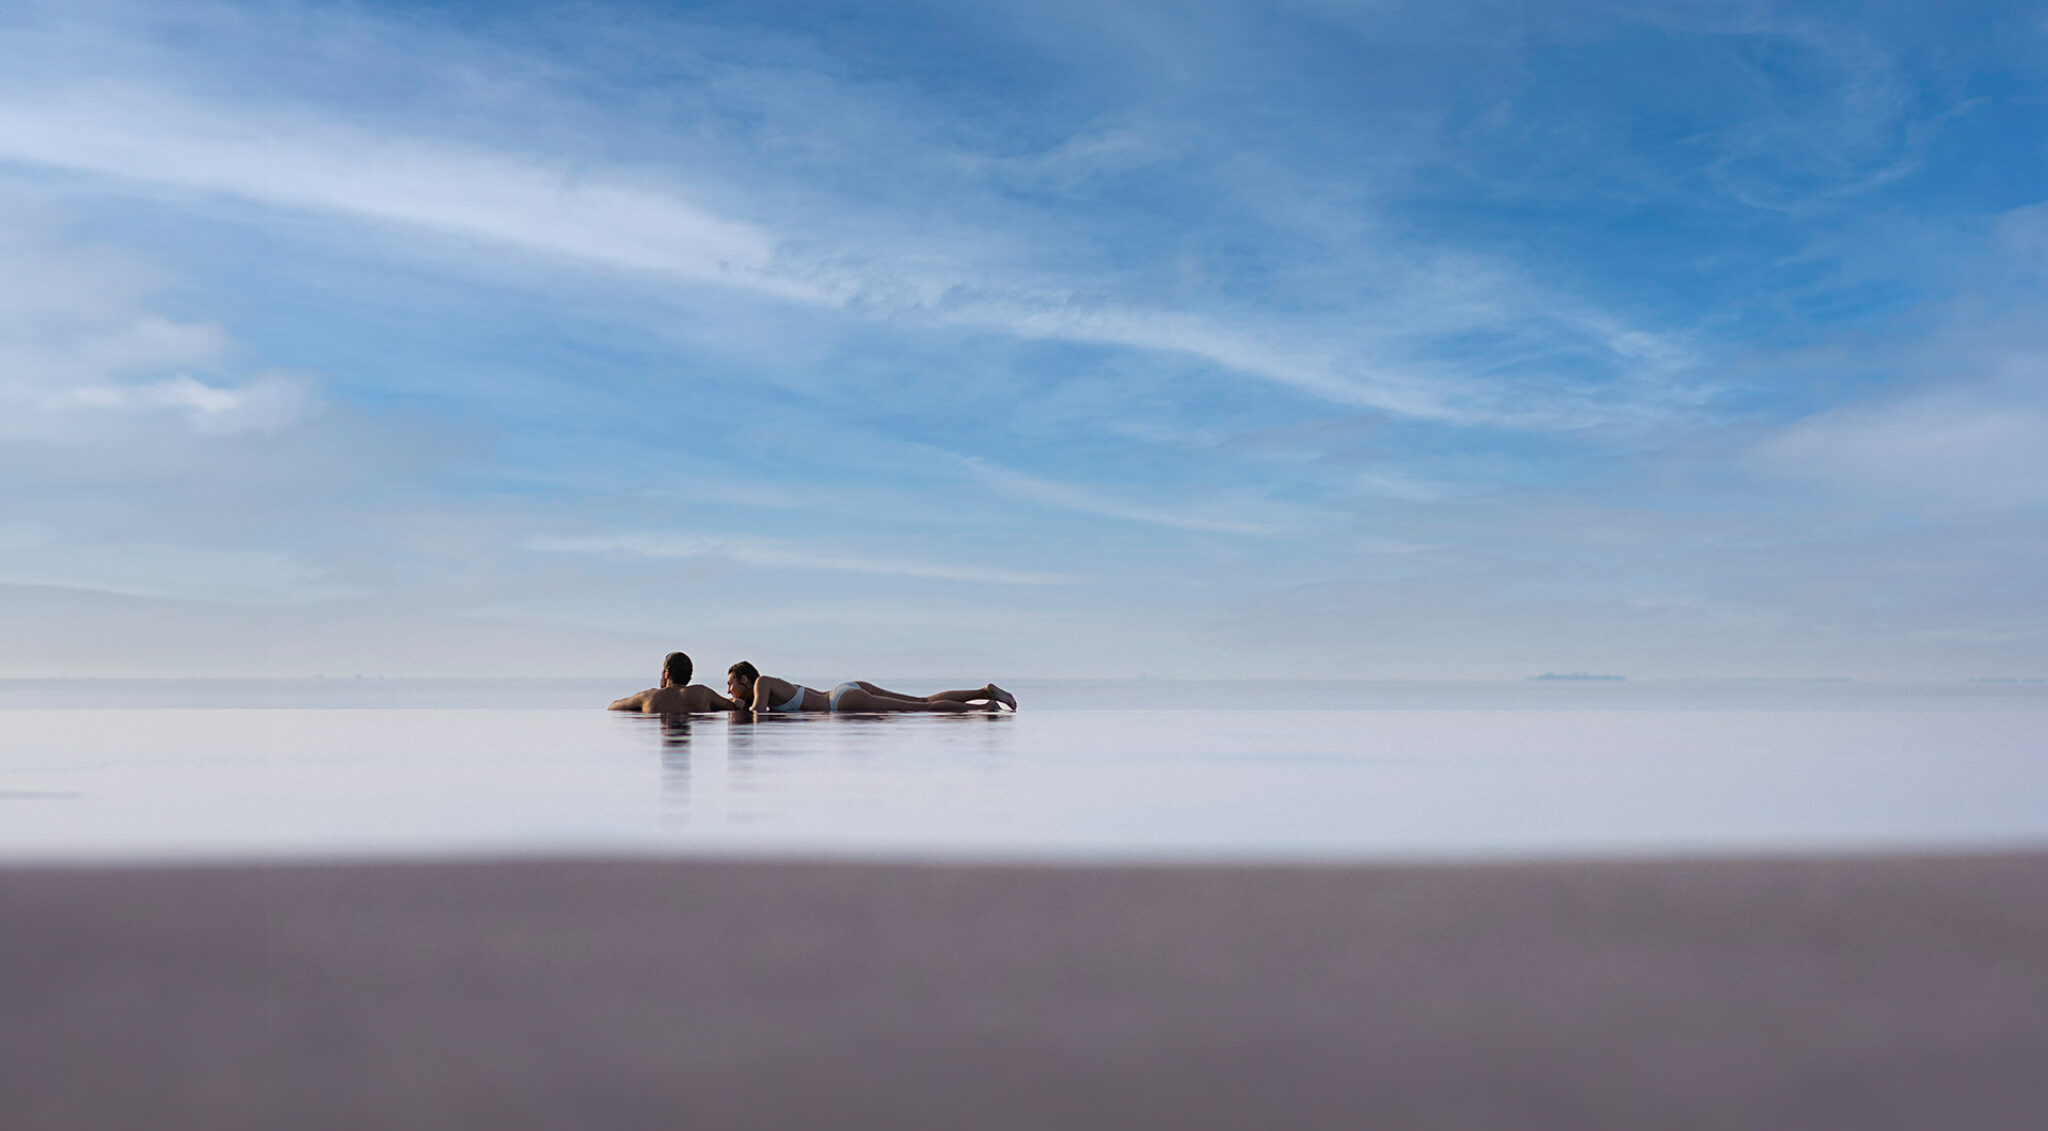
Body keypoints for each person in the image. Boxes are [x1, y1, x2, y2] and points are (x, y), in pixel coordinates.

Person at [726, 661, 1016, 714]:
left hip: (840, 703)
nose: (729, 691)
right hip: (844, 690)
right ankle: (984, 692)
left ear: (745, 680)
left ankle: (982, 710)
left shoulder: (762, 683)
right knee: (923, 700)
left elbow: (758, 714)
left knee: (921, 709)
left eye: (730, 685)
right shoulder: (768, 686)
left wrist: (732, 709)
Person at [608, 652, 739, 713]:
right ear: (689, 676)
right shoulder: (702, 693)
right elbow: (732, 706)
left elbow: (613, 706)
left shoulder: (649, 696)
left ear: (667, 673)